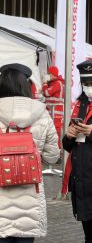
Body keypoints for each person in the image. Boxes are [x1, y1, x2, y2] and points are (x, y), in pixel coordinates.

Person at [0, 63, 60, 243]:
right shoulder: (43, 115)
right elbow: (52, 156)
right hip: (30, 203)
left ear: (0, 84)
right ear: (27, 86)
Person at [62, 59, 92, 243]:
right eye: (86, 83)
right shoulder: (80, 104)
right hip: (82, 181)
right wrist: (70, 135)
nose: (89, 87)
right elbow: (66, 146)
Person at [42, 66, 65, 147]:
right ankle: (54, 148)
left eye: (49, 74)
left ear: (52, 74)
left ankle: (57, 149)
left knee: (55, 132)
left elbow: (47, 93)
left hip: (56, 113)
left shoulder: (58, 83)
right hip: (53, 112)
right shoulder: (55, 83)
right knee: (51, 132)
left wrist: (44, 84)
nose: (48, 75)